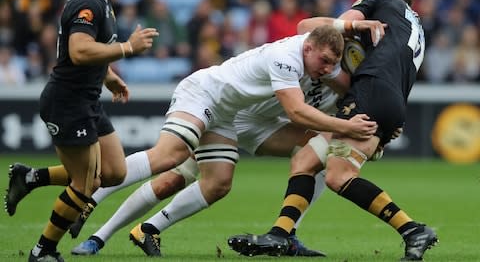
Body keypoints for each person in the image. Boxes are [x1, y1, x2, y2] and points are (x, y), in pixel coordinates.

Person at [7, 19, 381, 257]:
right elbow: (298, 112)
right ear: (309, 48)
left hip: (226, 115)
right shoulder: (287, 58)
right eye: (325, 62)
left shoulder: (310, 50)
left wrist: (349, 29)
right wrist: (347, 128)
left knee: (218, 183)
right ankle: (92, 200)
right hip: (203, 93)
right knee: (169, 157)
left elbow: (310, 28)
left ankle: (37, 178)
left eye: (335, 65)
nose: (329, 71)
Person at [227, 0, 438, 261]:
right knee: (304, 160)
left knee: (339, 177)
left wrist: (353, 25)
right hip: (391, 101)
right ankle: (281, 234)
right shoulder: (416, 30)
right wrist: (389, 125)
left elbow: (320, 29)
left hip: (369, 93)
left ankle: (412, 230)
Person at [69, 73, 343, 257]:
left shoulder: (353, 75)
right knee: (171, 167)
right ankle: (94, 205)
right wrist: (351, 25)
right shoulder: (324, 48)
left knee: (313, 158)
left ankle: (142, 230)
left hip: (259, 125)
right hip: (228, 112)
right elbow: (309, 30)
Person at [10, 0, 159, 261]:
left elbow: (83, 49)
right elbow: (79, 50)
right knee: (86, 182)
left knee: (115, 172)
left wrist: (107, 76)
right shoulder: (87, 2)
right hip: (67, 102)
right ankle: (43, 251)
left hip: (87, 100)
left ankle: (30, 178)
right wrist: (128, 48)